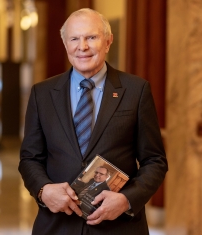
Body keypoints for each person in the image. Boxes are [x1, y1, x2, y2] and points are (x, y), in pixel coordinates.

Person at [19, 8, 168, 235]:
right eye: (74, 39)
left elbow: (155, 160)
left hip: (118, 227)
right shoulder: (42, 93)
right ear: (65, 44)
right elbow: (30, 158)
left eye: (91, 37)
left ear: (108, 42)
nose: (83, 47)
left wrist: (126, 200)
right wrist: (43, 190)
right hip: (57, 226)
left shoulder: (136, 90)